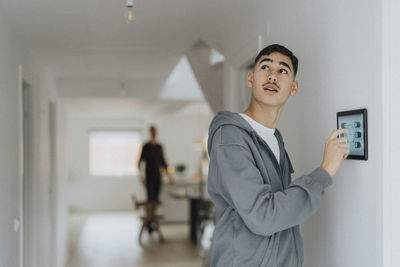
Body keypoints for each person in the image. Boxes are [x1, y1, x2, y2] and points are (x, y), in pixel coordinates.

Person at [207, 44, 349, 267]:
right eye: (265, 67)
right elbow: (263, 217)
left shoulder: (274, 140)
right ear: (251, 79)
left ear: (294, 88)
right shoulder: (230, 137)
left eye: (283, 71)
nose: (273, 75)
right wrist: (324, 172)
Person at [138, 125, 173, 202]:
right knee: (150, 197)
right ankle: (150, 213)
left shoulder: (159, 147)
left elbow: (164, 163)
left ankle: (153, 213)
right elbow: (139, 163)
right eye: (152, 131)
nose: (154, 133)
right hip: (149, 175)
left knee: (157, 198)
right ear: (150, 133)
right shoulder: (146, 146)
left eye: (155, 131)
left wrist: (169, 176)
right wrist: (141, 177)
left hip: (158, 175)